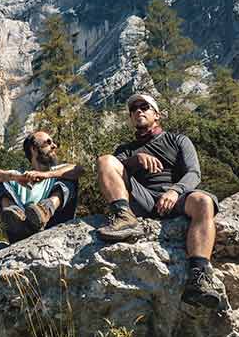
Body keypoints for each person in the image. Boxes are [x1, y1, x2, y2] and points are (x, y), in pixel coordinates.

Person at [95, 94, 222, 308]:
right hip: (142, 199)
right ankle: (124, 217)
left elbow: (194, 173)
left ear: (157, 115)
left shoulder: (178, 140)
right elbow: (111, 171)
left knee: (203, 202)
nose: (138, 111)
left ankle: (199, 278)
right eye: (134, 109)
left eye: (144, 107)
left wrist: (174, 191)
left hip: (176, 197)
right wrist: (135, 160)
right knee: (105, 160)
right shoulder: (125, 150)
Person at [0, 131, 84, 243]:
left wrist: (45, 175)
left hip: (55, 225)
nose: (54, 146)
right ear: (34, 149)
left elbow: (78, 170)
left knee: (68, 178)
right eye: (48, 142)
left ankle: (45, 209)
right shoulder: (19, 175)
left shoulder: (58, 171)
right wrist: (15, 177)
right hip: (23, 231)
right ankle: (15, 217)